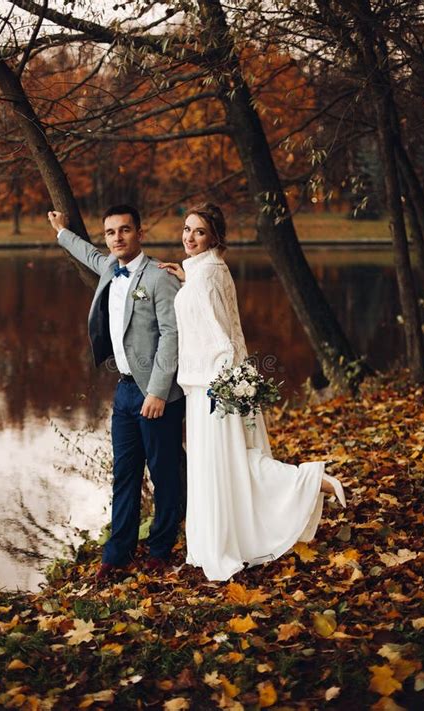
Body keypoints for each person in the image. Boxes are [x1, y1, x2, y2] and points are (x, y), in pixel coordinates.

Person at [158, 202, 346, 582]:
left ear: (215, 237)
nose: (189, 237)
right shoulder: (207, 271)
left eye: (198, 232)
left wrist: (227, 385)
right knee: (229, 465)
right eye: (186, 229)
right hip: (207, 387)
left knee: (229, 464)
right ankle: (250, 526)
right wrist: (185, 279)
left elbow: (221, 335)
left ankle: (312, 483)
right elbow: (212, 314)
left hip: (213, 388)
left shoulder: (208, 275)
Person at [48, 206, 185, 581]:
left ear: (139, 232)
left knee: (164, 475)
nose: (117, 238)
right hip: (124, 392)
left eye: (125, 230)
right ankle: (116, 556)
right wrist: (62, 232)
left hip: (157, 396)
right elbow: (87, 254)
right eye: (111, 232)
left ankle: (160, 550)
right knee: (124, 475)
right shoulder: (110, 266)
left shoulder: (158, 277)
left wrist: (157, 392)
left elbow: (172, 336)